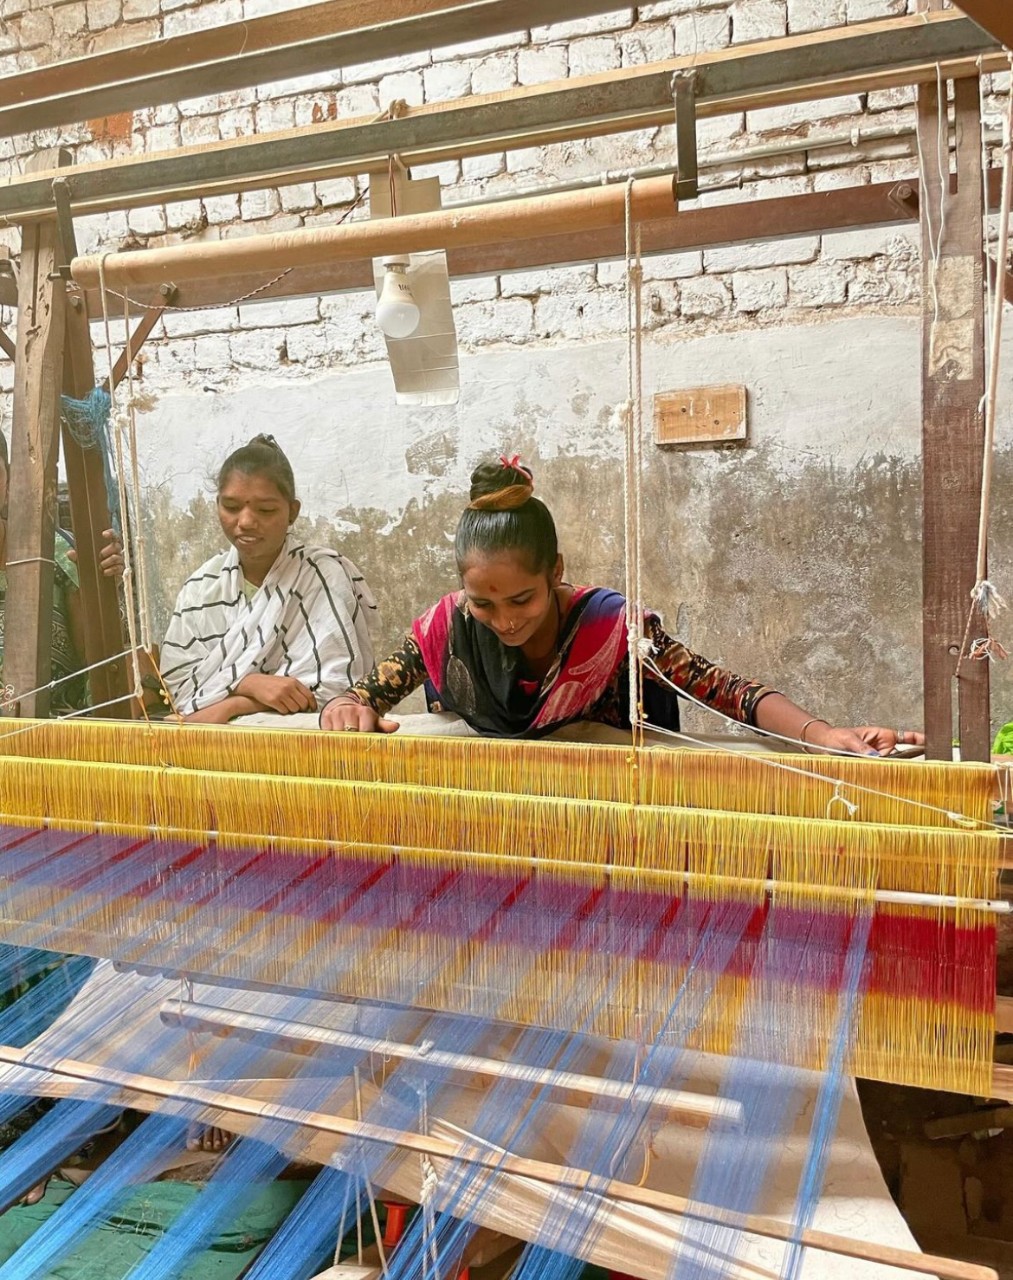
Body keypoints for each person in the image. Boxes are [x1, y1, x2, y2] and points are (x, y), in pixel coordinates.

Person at [320, 456, 922, 756]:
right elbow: (367, 694)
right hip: (491, 837)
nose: (503, 620)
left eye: (522, 599)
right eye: (484, 603)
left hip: (601, 831)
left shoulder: (612, 629)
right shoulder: (446, 627)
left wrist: (823, 734)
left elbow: (724, 689)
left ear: (556, 571)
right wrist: (345, 711)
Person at [161, 434, 376, 724]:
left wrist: (232, 705)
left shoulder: (322, 576)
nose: (246, 521)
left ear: (293, 512)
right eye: (232, 507)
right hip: (213, 755)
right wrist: (246, 686)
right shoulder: (200, 589)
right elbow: (178, 693)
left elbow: (338, 696)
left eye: (265, 510)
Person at [0, 433, 122, 715]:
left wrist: (103, 588)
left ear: (8, 480)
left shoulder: (55, 553)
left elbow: (97, 663)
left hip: (58, 732)